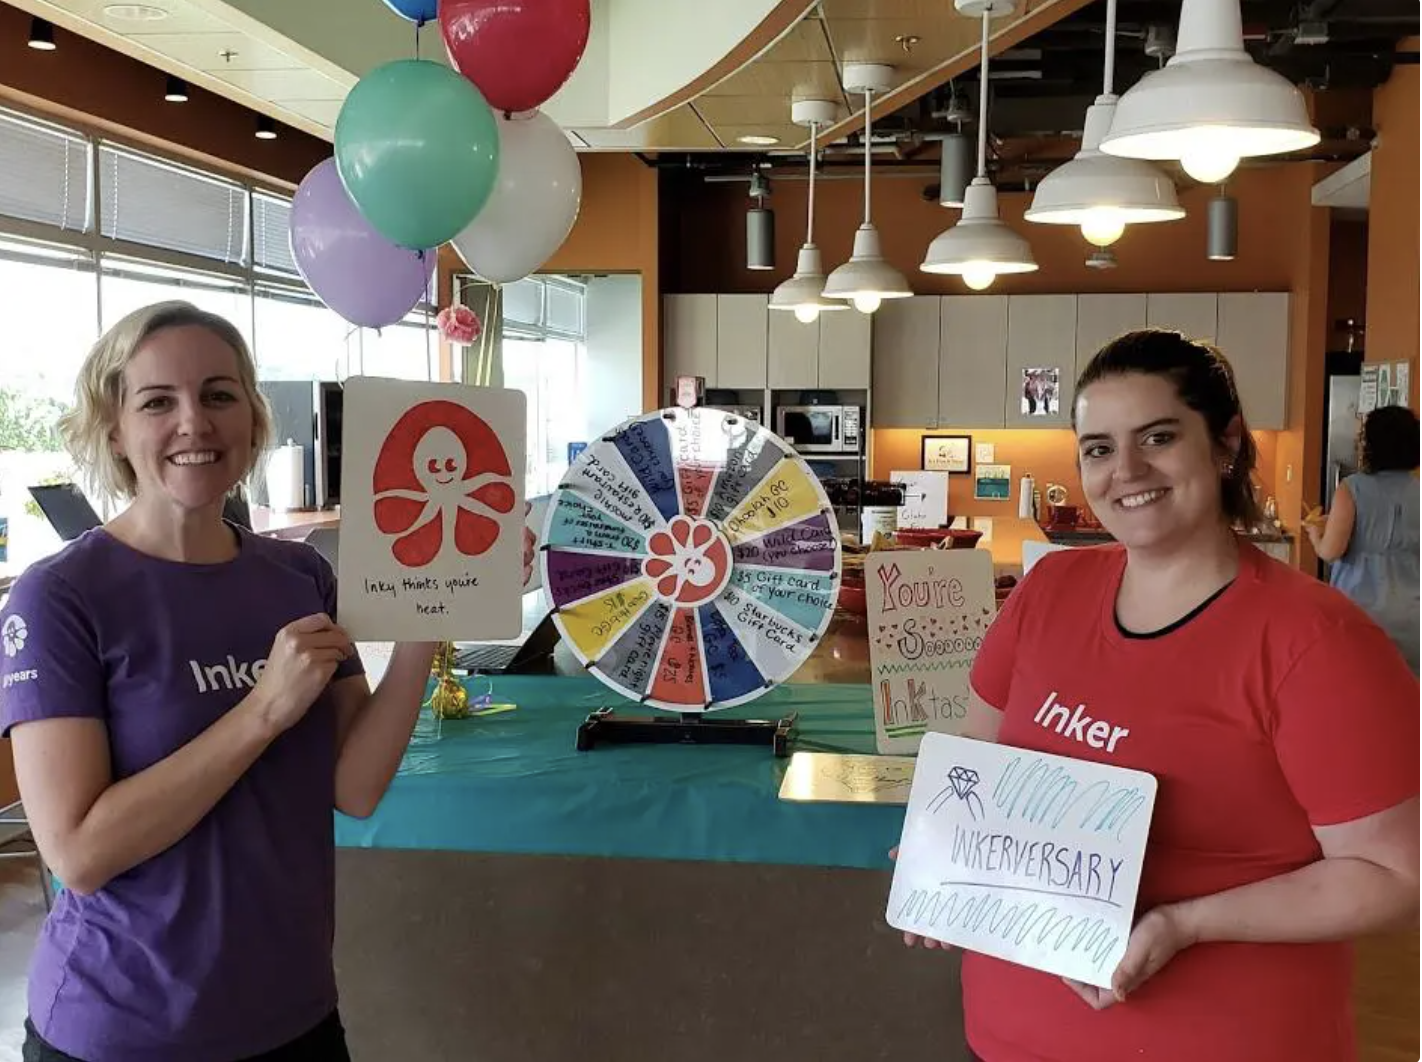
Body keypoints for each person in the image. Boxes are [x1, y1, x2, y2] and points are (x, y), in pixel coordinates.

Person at [0, 302, 536, 1062]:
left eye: (219, 395)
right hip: (123, 1029)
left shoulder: (297, 576)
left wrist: (438, 604)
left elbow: (354, 785)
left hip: (293, 1014)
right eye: (158, 401)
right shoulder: (60, 596)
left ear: (252, 419)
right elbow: (79, 853)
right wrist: (262, 711)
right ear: (114, 428)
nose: (195, 422)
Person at [900, 330, 1419, 1062]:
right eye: (1099, 448)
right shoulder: (1046, 593)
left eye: (1159, 437)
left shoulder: (1317, 642)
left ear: (1225, 444)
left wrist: (1187, 923)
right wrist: (944, 860)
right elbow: (970, 773)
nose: (1127, 471)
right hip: (1009, 1036)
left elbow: (1399, 878)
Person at [1304, 404, 1419, 674]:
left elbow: (1331, 551)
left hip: (1358, 613)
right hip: (1413, 617)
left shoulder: (1352, 488)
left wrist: (1315, 532)